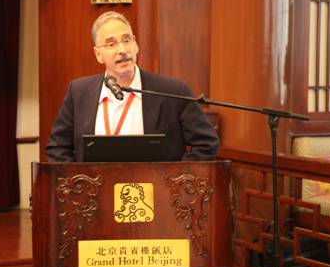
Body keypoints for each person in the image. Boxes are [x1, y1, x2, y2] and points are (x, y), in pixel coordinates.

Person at [46, 11, 219, 162]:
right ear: (98, 54)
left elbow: (206, 144)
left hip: (154, 189)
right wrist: (79, 183)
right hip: (96, 189)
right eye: (111, 44)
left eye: (126, 40)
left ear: (136, 45)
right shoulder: (78, 92)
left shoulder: (173, 91)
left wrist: (172, 181)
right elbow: (57, 148)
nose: (122, 49)